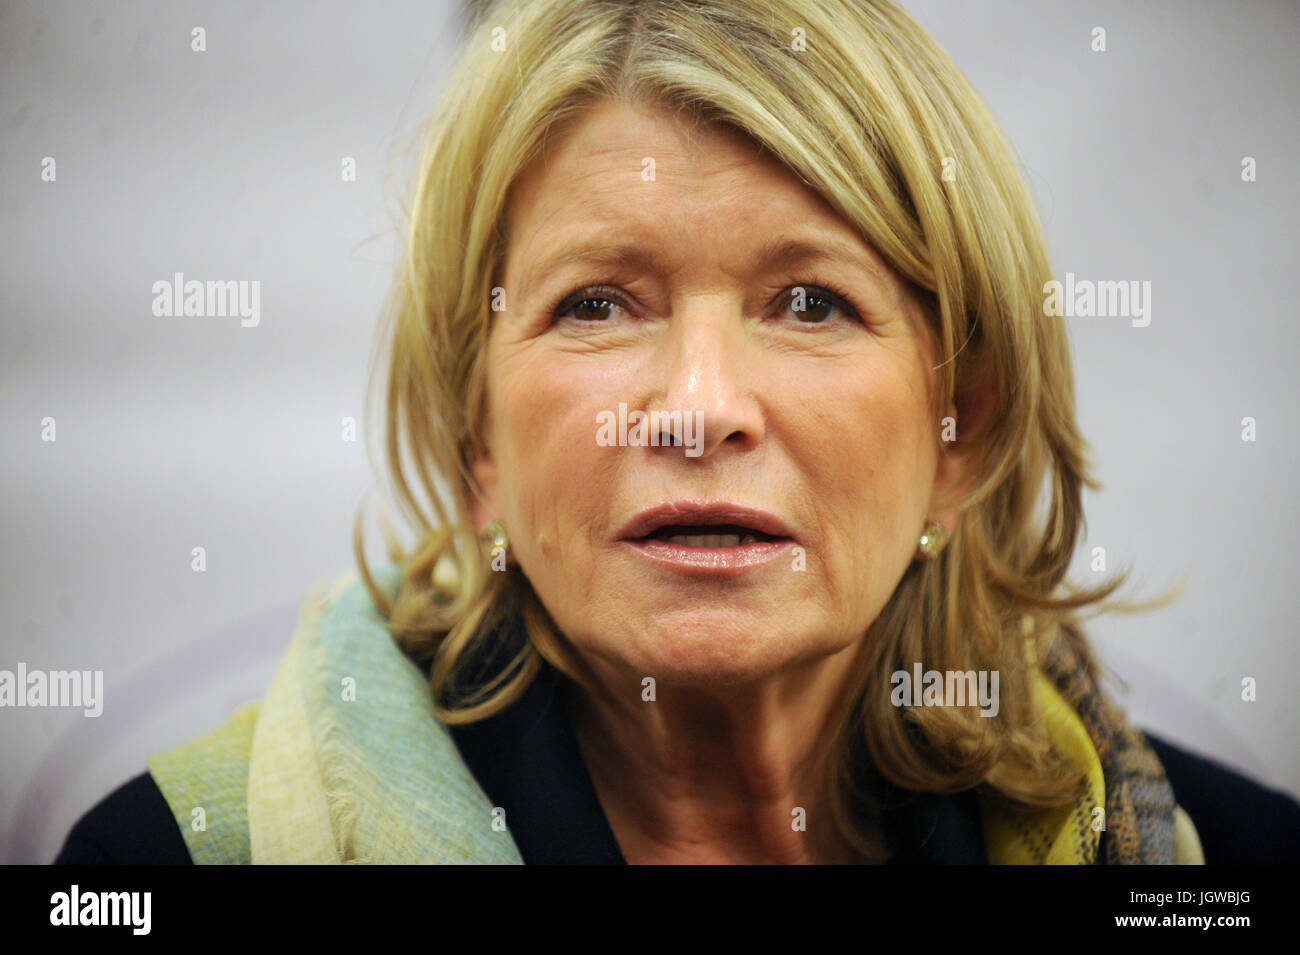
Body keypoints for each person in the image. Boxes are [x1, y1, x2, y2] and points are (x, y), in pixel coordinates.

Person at [56, 0, 1300, 865]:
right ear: (474, 439)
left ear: (959, 427)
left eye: (809, 303)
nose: (702, 406)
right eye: (595, 304)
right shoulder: (160, 865)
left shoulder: (1227, 866)